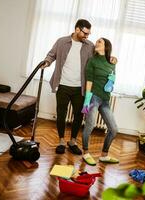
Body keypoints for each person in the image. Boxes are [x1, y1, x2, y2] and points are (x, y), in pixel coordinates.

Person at [43, 19, 116, 155]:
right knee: (61, 114)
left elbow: (100, 58)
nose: (87, 36)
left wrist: (112, 59)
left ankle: (73, 141)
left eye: (88, 34)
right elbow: (51, 55)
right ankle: (61, 141)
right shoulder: (62, 42)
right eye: (85, 33)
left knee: (78, 115)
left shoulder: (89, 45)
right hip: (63, 85)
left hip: (79, 87)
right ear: (77, 30)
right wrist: (47, 62)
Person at [81, 38, 119, 166]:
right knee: (90, 125)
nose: (96, 43)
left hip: (105, 100)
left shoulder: (112, 62)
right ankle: (85, 152)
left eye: (100, 42)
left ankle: (104, 156)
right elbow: (89, 81)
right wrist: (87, 101)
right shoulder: (92, 61)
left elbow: (111, 81)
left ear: (106, 46)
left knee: (113, 129)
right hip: (93, 98)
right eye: (96, 41)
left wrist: (112, 80)